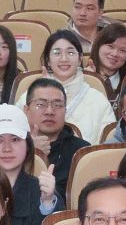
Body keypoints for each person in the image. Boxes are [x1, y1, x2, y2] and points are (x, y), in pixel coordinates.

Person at [0, 103, 52, 225]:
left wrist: (47, 203)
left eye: (15, 140)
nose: (7, 149)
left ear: (28, 145)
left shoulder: (44, 193)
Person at [43, 30, 115, 144]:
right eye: (57, 53)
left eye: (70, 53)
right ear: (48, 60)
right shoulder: (30, 97)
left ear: (80, 59)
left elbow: (108, 145)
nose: (64, 59)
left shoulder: (98, 100)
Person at [25, 77, 88, 205]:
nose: (49, 111)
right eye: (41, 104)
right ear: (26, 110)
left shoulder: (81, 152)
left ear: (65, 111)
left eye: (57, 105)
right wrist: (29, 152)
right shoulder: (13, 147)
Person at [91, 23, 126, 108]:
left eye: (122, 50)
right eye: (110, 46)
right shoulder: (82, 78)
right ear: (98, 46)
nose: (115, 54)